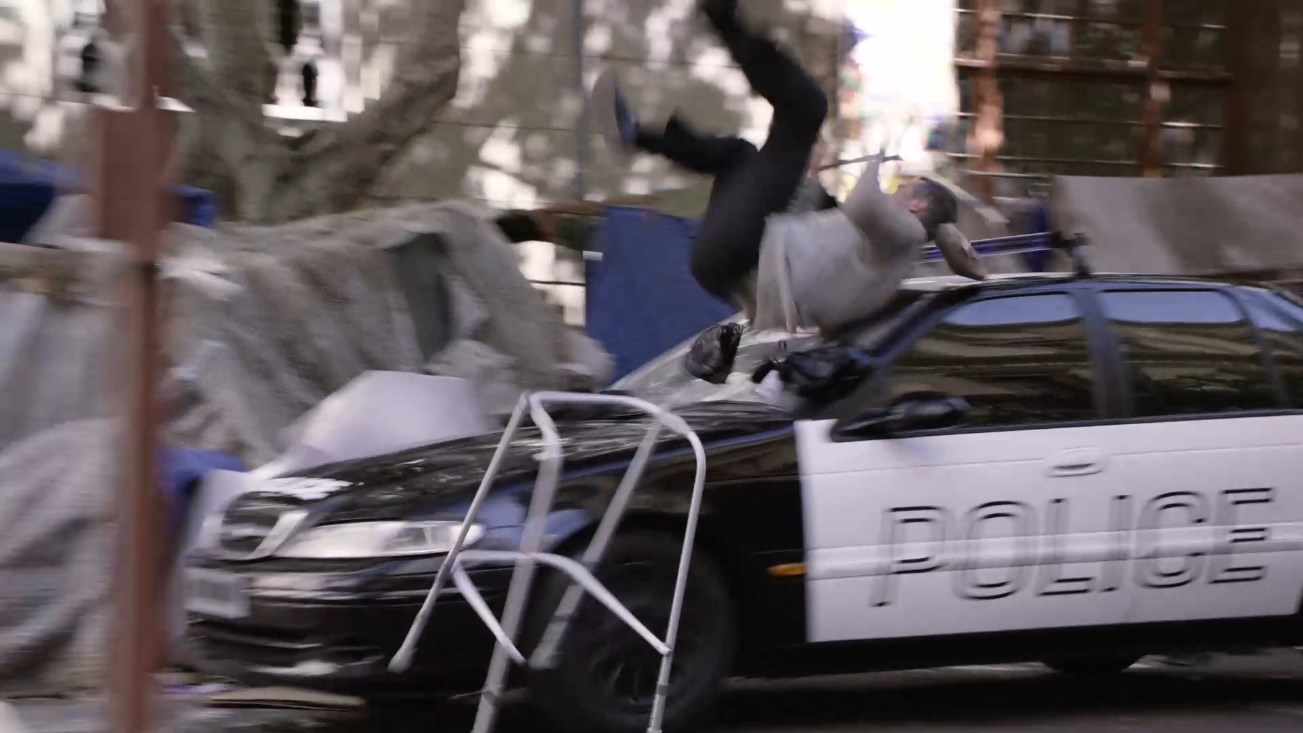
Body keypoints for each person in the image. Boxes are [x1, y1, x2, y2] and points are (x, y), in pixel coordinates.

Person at [593, 0, 983, 336]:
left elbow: (866, 202)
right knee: (741, 155)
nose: (893, 189)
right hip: (730, 260)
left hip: (746, 256)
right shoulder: (881, 250)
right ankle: (638, 135)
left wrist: (882, 151)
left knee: (808, 110)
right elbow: (835, 213)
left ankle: (722, 16)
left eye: (903, 188)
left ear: (917, 205)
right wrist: (806, 182)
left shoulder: (901, 234)